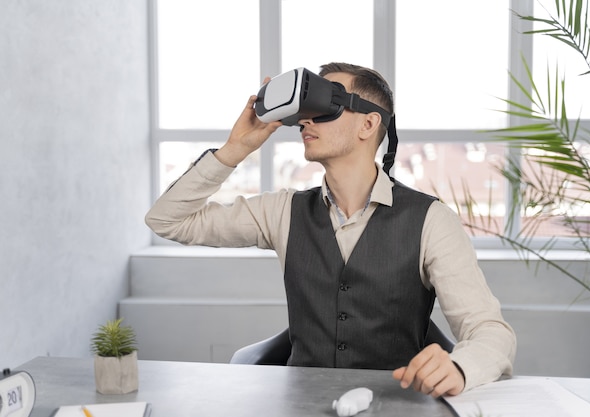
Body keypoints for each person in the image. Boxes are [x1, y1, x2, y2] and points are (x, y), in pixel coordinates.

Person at [145, 62, 516, 397]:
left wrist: (459, 367)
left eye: (323, 108)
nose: (306, 121)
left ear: (369, 124)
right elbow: (167, 220)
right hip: (301, 404)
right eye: (304, 113)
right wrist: (234, 149)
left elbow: (490, 331)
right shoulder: (282, 211)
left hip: (398, 404)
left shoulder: (431, 220)